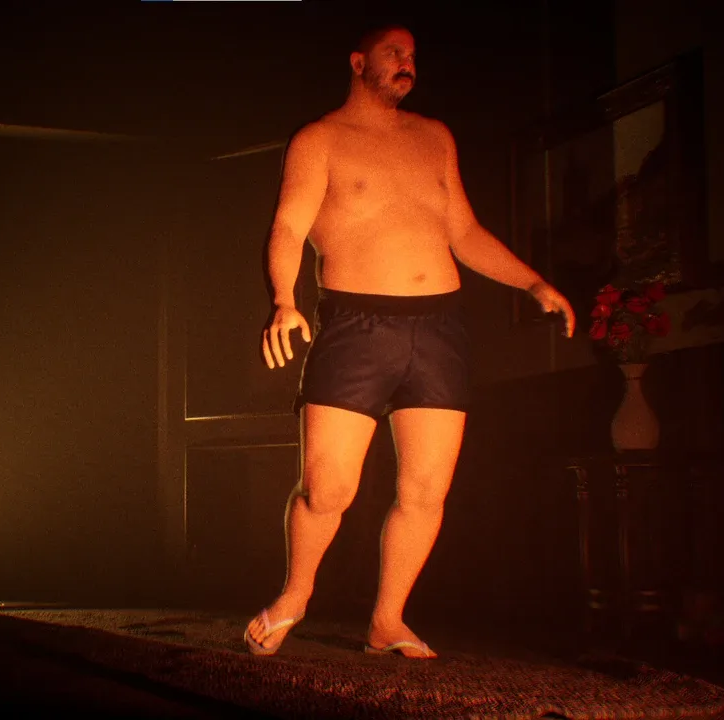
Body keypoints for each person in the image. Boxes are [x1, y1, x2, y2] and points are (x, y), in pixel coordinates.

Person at [244, 23, 575, 659]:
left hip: (439, 329)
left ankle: (387, 620)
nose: (407, 62)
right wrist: (284, 300)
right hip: (356, 325)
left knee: (425, 491)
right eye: (394, 52)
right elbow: (288, 226)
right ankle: (294, 596)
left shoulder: (434, 137)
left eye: (413, 55)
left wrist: (532, 282)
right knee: (327, 489)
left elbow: (464, 231)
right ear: (358, 61)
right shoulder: (320, 140)